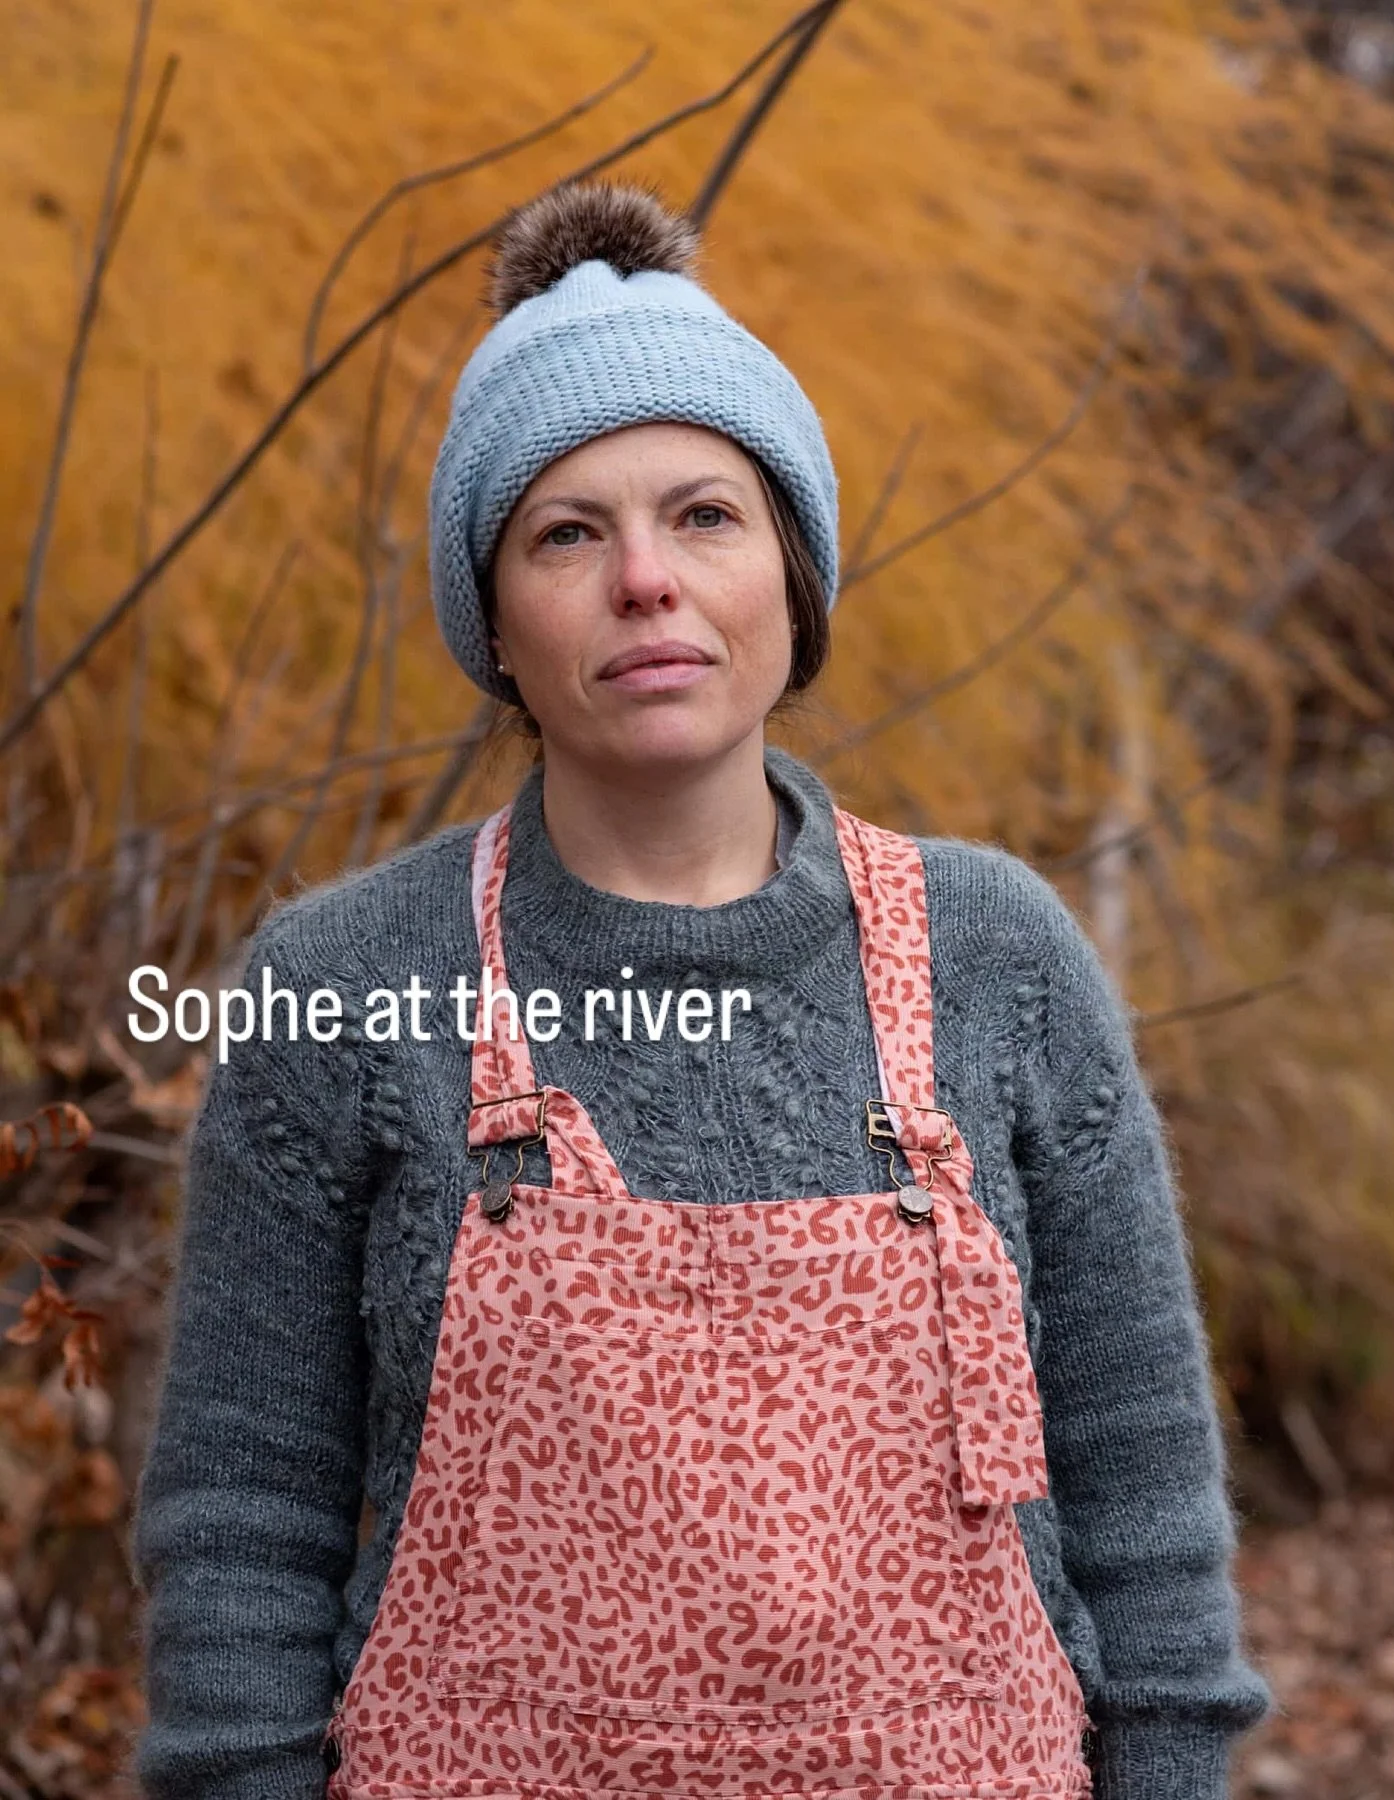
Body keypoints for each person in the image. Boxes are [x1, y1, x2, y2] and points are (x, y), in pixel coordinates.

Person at [129, 179, 1275, 1800]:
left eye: (705, 516)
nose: (645, 581)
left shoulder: (1000, 957)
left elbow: (1142, 1488)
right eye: (567, 533)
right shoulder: (344, 983)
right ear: (493, 623)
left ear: (793, 582)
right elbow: (244, 1521)